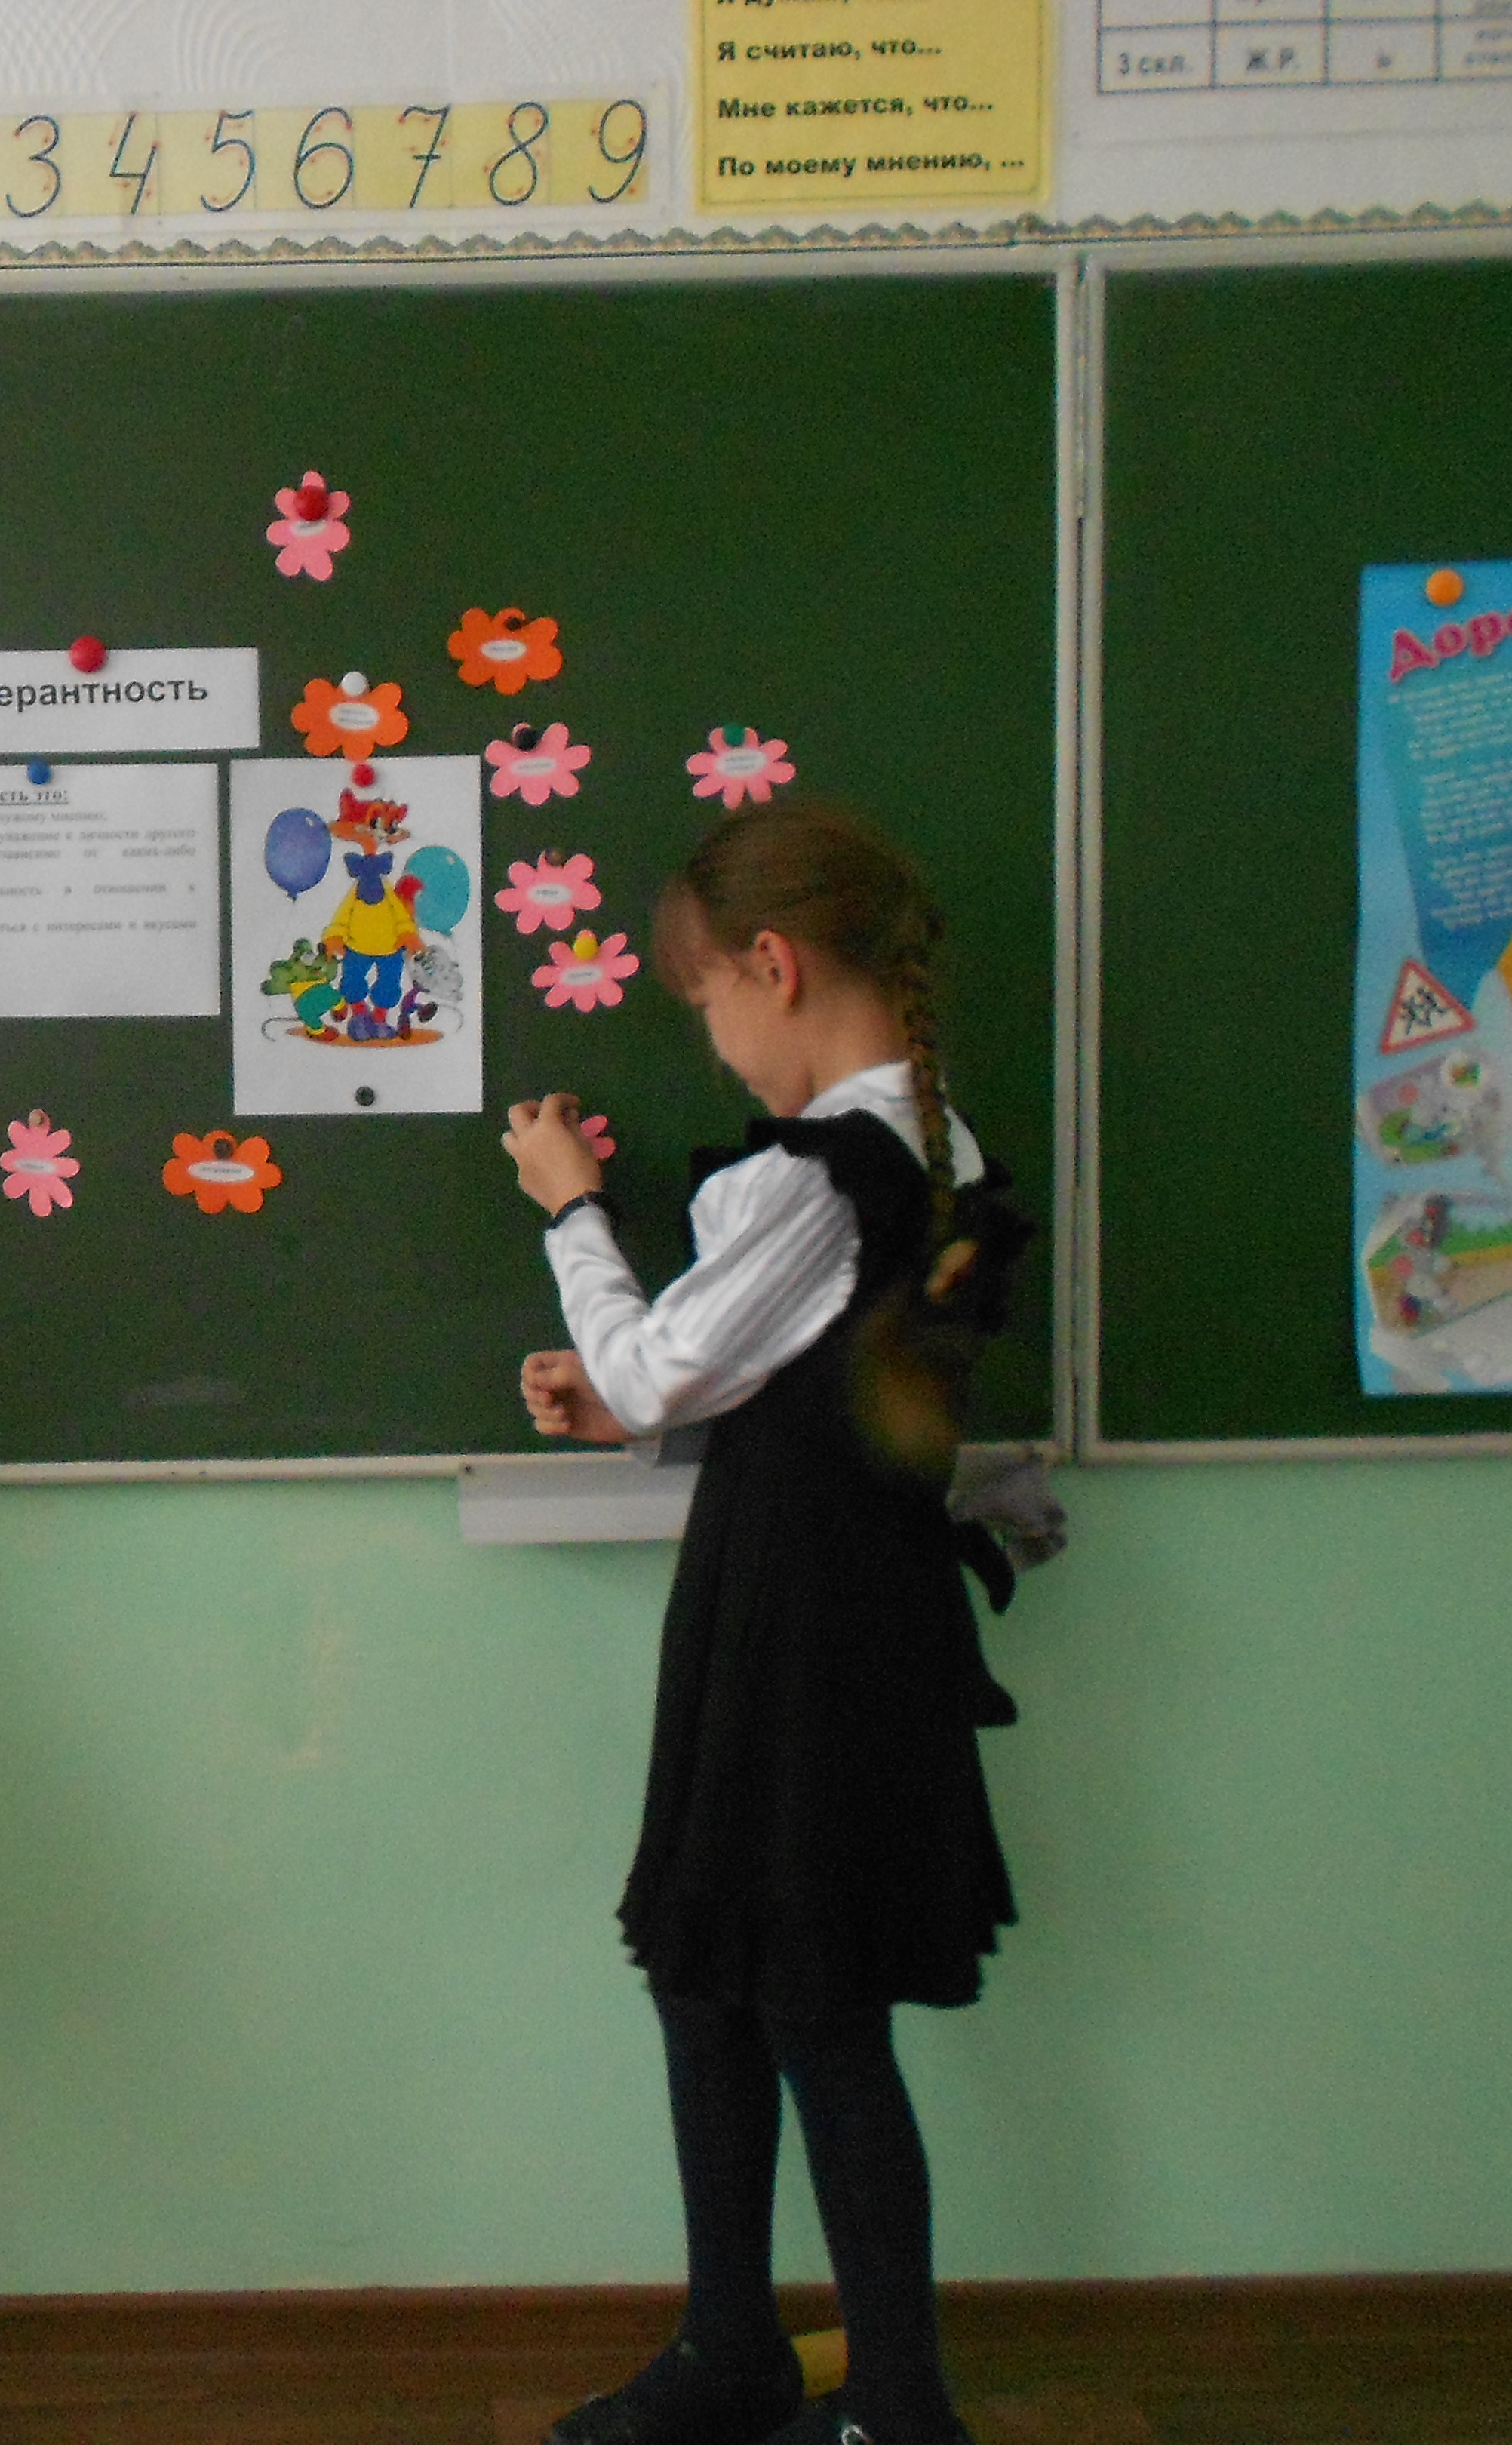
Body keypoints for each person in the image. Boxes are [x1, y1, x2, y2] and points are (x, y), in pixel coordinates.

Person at [499, 805, 1037, 2445]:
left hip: (809, 1629)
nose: (717, 1046)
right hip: (817, 1601)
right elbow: (795, 1380)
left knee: (810, 2004)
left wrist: (571, 1210)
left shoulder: (827, 1168)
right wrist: (635, 1404)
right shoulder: (931, 1150)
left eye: (707, 1005)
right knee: (716, 1974)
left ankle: (901, 2408)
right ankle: (733, 2346)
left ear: (776, 966)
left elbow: (665, 1362)